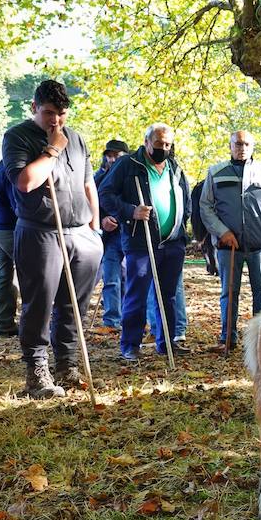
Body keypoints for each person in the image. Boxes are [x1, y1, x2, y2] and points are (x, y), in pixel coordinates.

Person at [1, 79, 102, 398]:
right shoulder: (17, 136)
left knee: (74, 304)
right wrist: (52, 149)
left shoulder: (78, 139)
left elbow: (89, 184)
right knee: (39, 303)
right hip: (40, 231)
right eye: (48, 113)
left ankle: (67, 364)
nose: (55, 120)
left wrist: (94, 227)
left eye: (61, 113)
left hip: (79, 232)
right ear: (33, 108)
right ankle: (37, 370)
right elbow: (25, 182)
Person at [98, 123, 192, 360]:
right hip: (140, 240)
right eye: (159, 143)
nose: (163, 148)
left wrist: (181, 228)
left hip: (172, 242)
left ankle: (167, 342)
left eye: (167, 144)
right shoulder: (128, 165)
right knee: (137, 293)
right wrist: (130, 211)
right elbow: (105, 194)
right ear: (147, 141)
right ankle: (131, 344)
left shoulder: (174, 167)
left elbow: (186, 199)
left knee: (168, 295)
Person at [201, 130, 261, 350]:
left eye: (246, 144)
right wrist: (222, 231)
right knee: (229, 292)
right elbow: (205, 207)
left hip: (260, 247)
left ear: (253, 146)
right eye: (237, 144)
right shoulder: (216, 172)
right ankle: (227, 338)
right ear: (230, 146)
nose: (242, 148)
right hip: (228, 246)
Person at [93, 139, 129, 332]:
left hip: (130, 234)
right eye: (110, 155)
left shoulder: (132, 176)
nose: (113, 158)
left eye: (117, 155)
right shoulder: (97, 179)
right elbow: (91, 205)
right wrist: (103, 221)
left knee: (130, 279)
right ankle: (111, 321)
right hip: (109, 238)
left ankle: (129, 318)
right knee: (111, 278)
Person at [0, 162, 21, 336]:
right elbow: (17, 205)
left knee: (5, 275)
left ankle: (4, 323)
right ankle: (34, 323)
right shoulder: (10, 172)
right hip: (10, 229)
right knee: (30, 275)